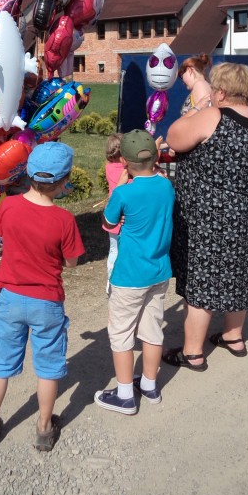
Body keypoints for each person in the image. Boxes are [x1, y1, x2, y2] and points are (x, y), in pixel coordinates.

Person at [163, 62, 248, 370]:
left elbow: (173, 138)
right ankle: (233, 336)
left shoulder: (213, 116)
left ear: (220, 92)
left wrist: (196, 108)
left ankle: (193, 352)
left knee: (201, 282)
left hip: (206, 218)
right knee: (239, 274)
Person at [0, 142, 85, 453]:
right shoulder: (64, 220)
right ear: (64, 182)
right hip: (46, 302)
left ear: (28, 173)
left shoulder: (8, 206)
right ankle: (44, 428)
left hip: (10, 298)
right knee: (48, 367)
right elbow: (72, 262)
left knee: (1, 363)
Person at [94, 130, 175, 415]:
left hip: (129, 275)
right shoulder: (166, 186)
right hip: (159, 271)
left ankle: (125, 394)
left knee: (121, 333)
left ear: (124, 161)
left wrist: (118, 185)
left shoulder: (124, 192)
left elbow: (108, 223)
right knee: (152, 329)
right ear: (155, 157)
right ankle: (150, 385)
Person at [103, 133, 129, 293]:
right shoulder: (129, 170)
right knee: (126, 250)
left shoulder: (108, 168)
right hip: (126, 217)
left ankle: (110, 281)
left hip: (112, 215)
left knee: (113, 250)